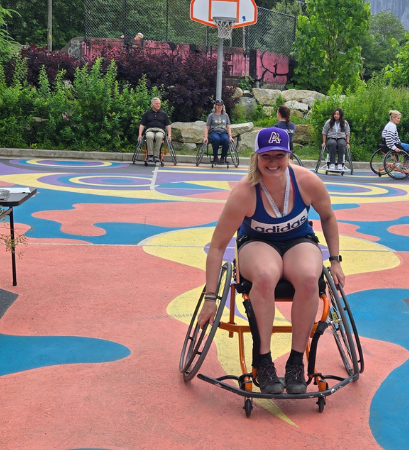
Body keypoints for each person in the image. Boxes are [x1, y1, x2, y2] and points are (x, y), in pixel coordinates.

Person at [198, 127, 344, 395]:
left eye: (280, 155)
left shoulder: (307, 182)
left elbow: (328, 217)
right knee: (265, 276)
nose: (273, 162)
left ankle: (296, 362)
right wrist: (210, 298)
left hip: (299, 241)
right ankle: (263, 361)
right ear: (256, 157)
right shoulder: (244, 192)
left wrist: (335, 260)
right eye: (267, 156)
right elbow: (218, 246)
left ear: (289, 155)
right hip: (257, 244)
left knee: (311, 278)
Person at [138, 97, 171, 163]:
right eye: (156, 104)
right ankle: (150, 155)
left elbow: (168, 125)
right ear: (152, 104)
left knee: (159, 136)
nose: (158, 105)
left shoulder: (163, 114)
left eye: (159, 103)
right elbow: (142, 124)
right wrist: (140, 134)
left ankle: (156, 155)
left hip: (160, 130)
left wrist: (169, 135)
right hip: (150, 130)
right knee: (149, 136)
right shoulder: (147, 113)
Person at [204, 99, 233, 164]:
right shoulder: (211, 115)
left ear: (223, 107)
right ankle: (215, 156)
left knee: (226, 140)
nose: (219, 107)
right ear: (215, 106)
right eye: (217, 105)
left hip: (223, 132)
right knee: (216, 139)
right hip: (213, 132)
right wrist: (205, 137)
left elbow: (228, 127)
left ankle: (223, 157)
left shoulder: (225, 115)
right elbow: (207, 127)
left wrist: (230, 136)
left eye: (220, 105)